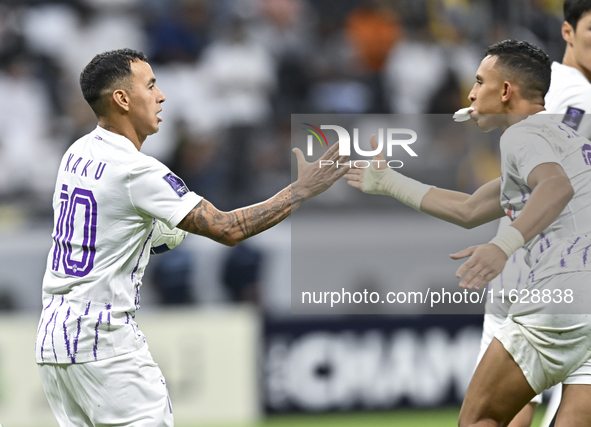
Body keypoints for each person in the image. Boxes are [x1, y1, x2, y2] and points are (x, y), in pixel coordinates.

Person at [35, 48, 349, 426]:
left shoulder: (75, 155)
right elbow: (228, 228)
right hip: (105, 343)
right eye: (150, 86)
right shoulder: (138, 171)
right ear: (121, 99)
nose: (161, 95)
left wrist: (152, 235)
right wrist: (300, 190)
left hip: (53, 341)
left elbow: (102, 233)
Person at [346, 39, 591, 426]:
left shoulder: (521, 137)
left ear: (506, 91)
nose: (472, 93)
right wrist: (390, 182)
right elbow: (471, 209)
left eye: (479, 82)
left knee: (477, 420)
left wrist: (503, 244)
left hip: (559, 299)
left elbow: (555, 188)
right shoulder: (569, 139)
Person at [482, 2, 591, 426]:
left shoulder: (559, 88)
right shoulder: (572, 94)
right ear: (567, 31)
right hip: (543, 263)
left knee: (494, 410)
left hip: (544, 267)